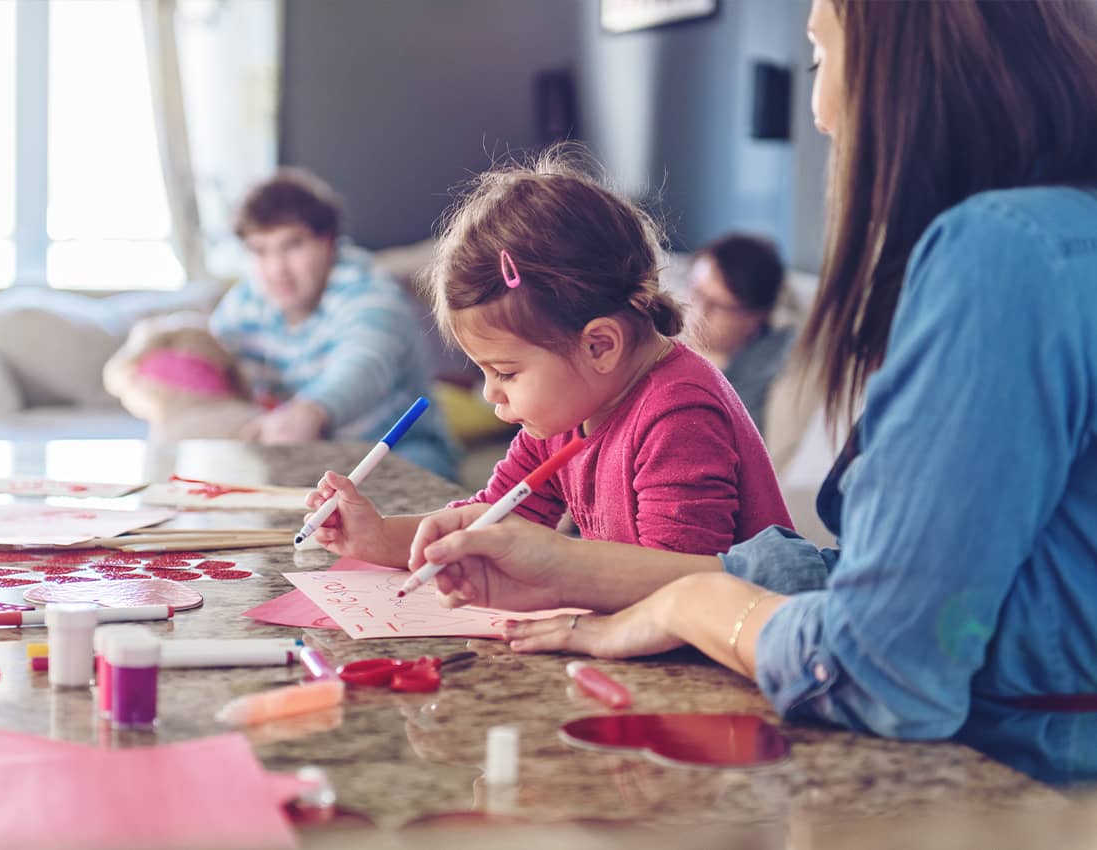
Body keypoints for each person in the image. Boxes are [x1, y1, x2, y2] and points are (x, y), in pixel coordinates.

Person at [405, 0, 1097, 785]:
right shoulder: (1061, 240)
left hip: (1017, 783)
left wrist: (686, 607)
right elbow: (873, 586)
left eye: (819, 60)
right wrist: (571, 571)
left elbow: (882, 668)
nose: (822, 112)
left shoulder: (1003, 257)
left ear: (907, 69)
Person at [304, 150, 792, 567]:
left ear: (600, 345)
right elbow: (494, 519)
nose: (491, 393)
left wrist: (557, 584)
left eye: (506, 372)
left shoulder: (679, 414)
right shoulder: (570, 407)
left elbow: (680, 583)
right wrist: (376, 536)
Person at [209, 168, 459, 480]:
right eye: (260, 251)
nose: (277, 269)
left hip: (400, 450)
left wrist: (312, 411)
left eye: (292, 245)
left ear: (327, 242)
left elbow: (364, 365)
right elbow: (210, 358)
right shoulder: (243, 304)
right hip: (308, 461)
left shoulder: (370, 292)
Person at [687, 234, 794, 432]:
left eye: (717, 305)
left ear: (755, 316)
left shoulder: (766, 363)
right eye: (696, 292)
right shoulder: (661, 343)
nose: (698, 311)